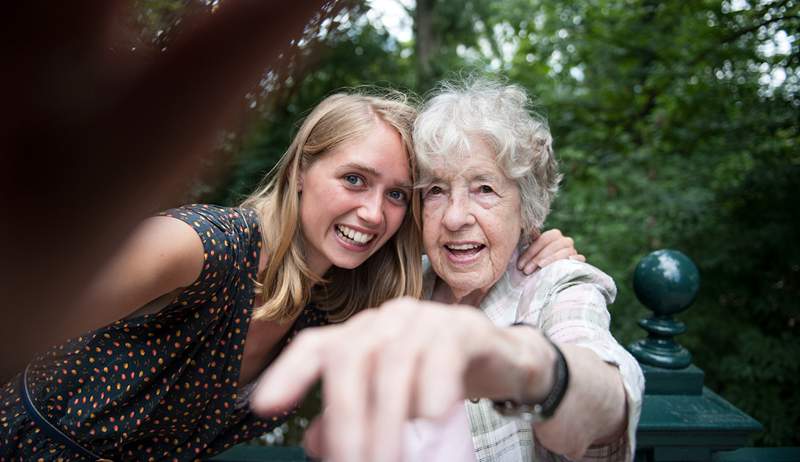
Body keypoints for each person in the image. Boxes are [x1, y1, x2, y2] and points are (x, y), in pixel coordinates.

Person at [0, 89, 578, 461]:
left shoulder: (336, 303)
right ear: (302, 170)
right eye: (354, 179)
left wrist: (535, 239)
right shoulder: (205, 246)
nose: (374, 212)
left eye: (397, 194)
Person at [251, 79, 645, 462]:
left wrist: (528, 365)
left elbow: (610, 402)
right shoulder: (396, 282)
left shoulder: (557, 286)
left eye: (484, 189)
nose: (455, 218)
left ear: (528, 209)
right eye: (436, 190)